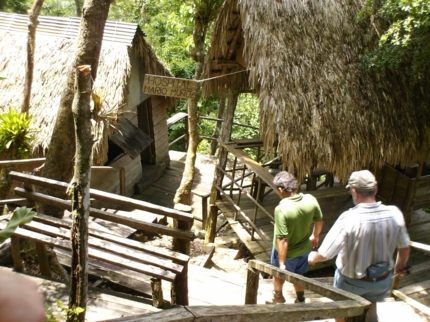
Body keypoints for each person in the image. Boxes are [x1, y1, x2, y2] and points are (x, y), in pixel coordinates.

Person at [308, 170, 410, 322]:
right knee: (373, 300)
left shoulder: (349, 218)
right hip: (382, 281)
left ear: (354, 192)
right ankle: (372, 316)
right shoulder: (394, 214)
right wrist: (400, 265)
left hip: (351, 283)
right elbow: (405, 246)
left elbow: (326, 254)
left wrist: (313, 257)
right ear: (375, 189)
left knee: (341, 308)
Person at [266, 171, 324, 304]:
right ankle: (300, 299)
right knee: (299, 275)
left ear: (280, 190)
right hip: (304, 249)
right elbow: (319, 221)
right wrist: (315, 236)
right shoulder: (310, 199)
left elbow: (283, 239)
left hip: (287, 253)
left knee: (278, 274)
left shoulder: (281, 209)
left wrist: (281, 263)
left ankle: (278, 297)